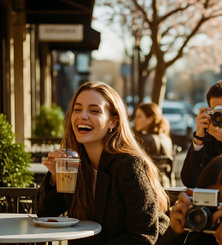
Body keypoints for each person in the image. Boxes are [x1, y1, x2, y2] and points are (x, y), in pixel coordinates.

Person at [35, 81, 169, 244]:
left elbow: (143, 235)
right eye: (77, 109)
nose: (82, 116)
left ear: (113, 122)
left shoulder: (129, 165)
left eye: (94, 110)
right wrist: (55, 178)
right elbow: (44, 213)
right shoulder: (73, 162)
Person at [134, 102, 174, 186]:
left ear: (150, 119)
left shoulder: (143, 140)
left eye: (139, 116)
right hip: (165, 183)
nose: (135, 120)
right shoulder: (167, 138)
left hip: (149, 184)